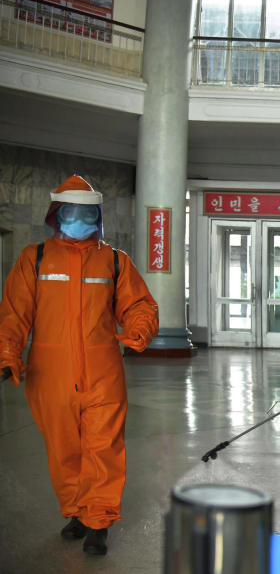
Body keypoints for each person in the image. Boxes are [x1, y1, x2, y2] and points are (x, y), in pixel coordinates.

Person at [0, 175, 159, 555]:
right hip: (49, 373)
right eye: (71, 213)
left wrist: (139, 329)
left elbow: (138, 304)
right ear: (56, 214)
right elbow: (15, 313)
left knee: (103, 446)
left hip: (102, 371)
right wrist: (8, 354)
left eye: (87, 214)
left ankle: (99, 521)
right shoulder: (34, 259)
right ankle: (76, 511)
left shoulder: (115, 261)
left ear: (98, 217)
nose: (79, 220)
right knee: (64, 448)